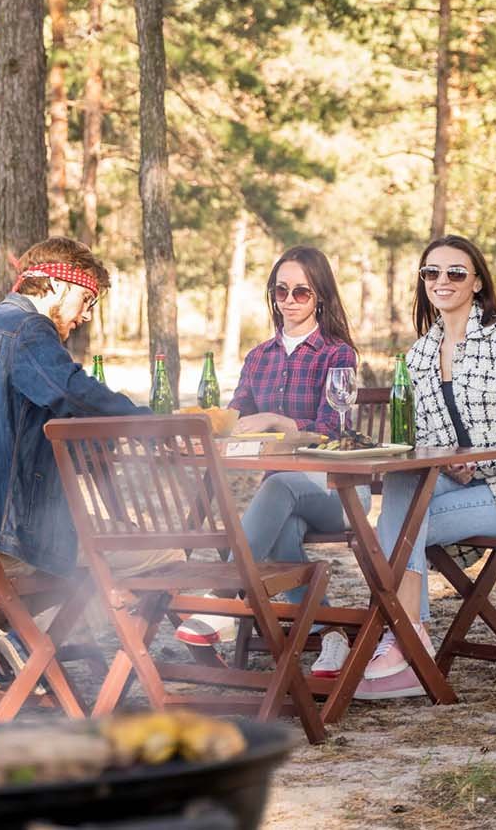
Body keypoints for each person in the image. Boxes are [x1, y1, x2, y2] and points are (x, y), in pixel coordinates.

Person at [0, 237, 182, 689]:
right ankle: (4, 626)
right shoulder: (27, 330)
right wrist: (155, 426)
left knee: (85, 542)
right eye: (85, 299)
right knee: (165, 549)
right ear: (53, 284)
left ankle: (4, 629)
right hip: (5, 539)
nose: (86, 315)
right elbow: (72, 392)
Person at [355, 234, 496, 700]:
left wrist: (473, 461)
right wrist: (450, 461)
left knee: (399, 531)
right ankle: (410, 633)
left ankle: (401, 643)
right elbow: (431, 440)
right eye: (431, 273)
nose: (442, 281)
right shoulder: (420, 355)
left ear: (476, 283)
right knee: (403, 485)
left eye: (456, 272)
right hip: (467, 482)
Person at [174, 246, 367, 680]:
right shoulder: (258, 357)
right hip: (280, 499)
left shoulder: (337, 354)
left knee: (278, 486)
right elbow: (234, 417)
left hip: (334, 491)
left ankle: (223, 598)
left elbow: (334, 432)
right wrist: (204, 423)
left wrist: (280, 421)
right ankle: (332, 636)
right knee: (284, 537)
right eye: (281, 290)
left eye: (301, 291)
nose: (289, 300)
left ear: (320, 296)